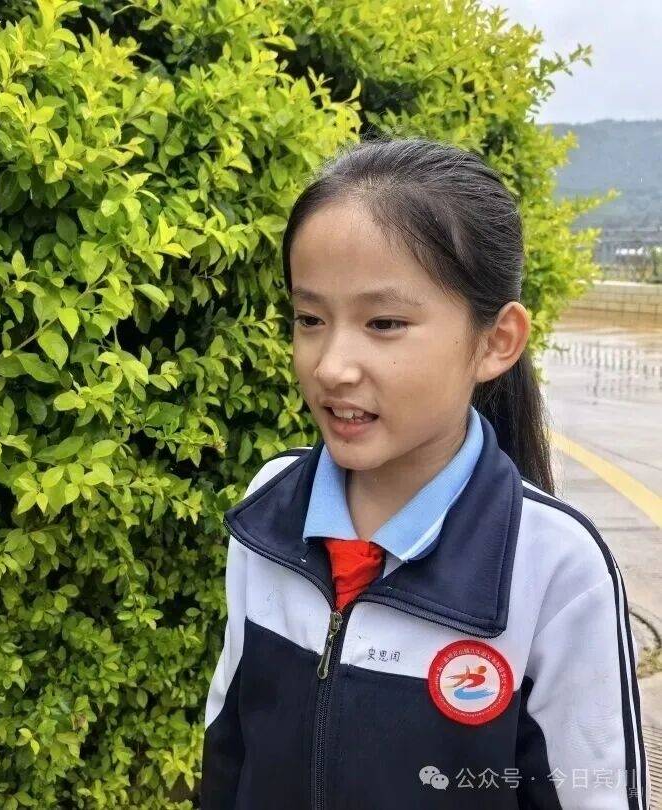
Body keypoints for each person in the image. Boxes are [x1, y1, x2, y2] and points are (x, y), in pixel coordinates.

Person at [200, 136, 648, 809]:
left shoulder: (555, 565)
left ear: (496, 341)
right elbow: (228, 747)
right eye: (309, 318)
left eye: (383, 323)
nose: (330, 366)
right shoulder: (269, 510)